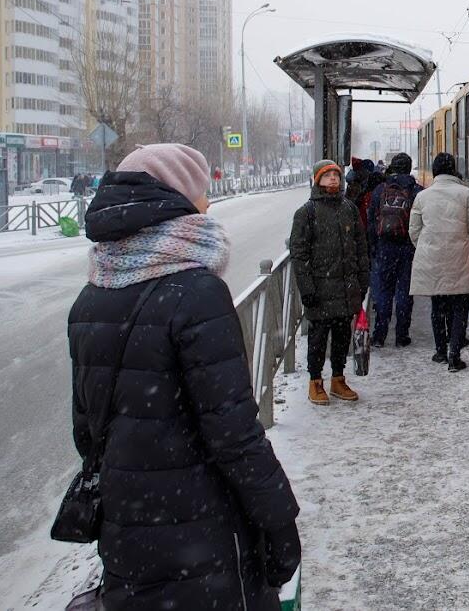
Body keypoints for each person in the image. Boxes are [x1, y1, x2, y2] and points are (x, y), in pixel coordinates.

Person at [66, 143, 300, 609]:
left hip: (128, 533)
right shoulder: (197, 294)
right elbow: (234, 435)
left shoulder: (91, 297)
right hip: (203, 530)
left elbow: (87, 432)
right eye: (200, 192)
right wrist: (279, 521)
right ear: (177, 197)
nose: (209, 203)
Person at [289, 160, 369, 405]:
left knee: (342, 336)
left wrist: (363, 277)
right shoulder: (306, 213)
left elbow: (361, 247)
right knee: (318, 339)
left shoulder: (349, 209)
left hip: (345, 289)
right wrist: (307, 289)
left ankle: (338, 379)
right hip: (320, 290)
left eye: (336, 174)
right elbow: (299, 253)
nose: (333, 179)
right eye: (327, 176)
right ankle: (315, 382)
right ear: (317, 180)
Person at [409, 152, 469, 371]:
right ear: (453, 170)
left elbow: (413, 231)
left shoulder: (422, 197)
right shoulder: (466, 194)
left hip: (432, 258)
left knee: (438, 306)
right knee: (460, 308)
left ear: (434, 171)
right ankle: (455, 355)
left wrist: (427, 247)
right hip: (460, 258)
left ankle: (440, 352)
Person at [368, 153, 421, 347]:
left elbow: (373, 221)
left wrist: (374, 246)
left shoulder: (380, 190)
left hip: (385, 247)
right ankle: (401, 336)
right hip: (407, 247)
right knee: (404, 292)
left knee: (383, 291)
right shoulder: (416, 191)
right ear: (409, 168)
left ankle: (379, 336)